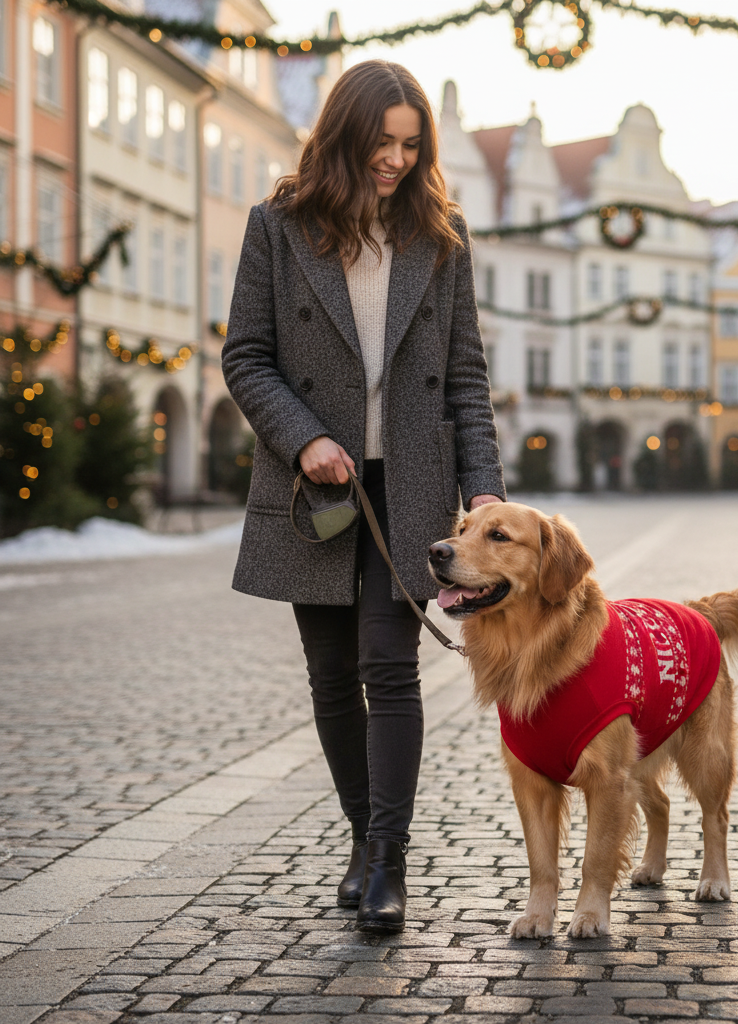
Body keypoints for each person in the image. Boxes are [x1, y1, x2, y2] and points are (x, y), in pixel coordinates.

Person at [221, 59, 505, 933]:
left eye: (411, 145)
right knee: (332, 676)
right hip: (318, 489)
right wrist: (304, 435)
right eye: (382, 142)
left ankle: (388, 861)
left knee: (392, 665)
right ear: (343, 133)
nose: (394, 160)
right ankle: (359, 835)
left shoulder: (441, 233)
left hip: (413, 488)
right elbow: (246, 355)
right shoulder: (277, 227)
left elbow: (465, 379)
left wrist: (487, 499)